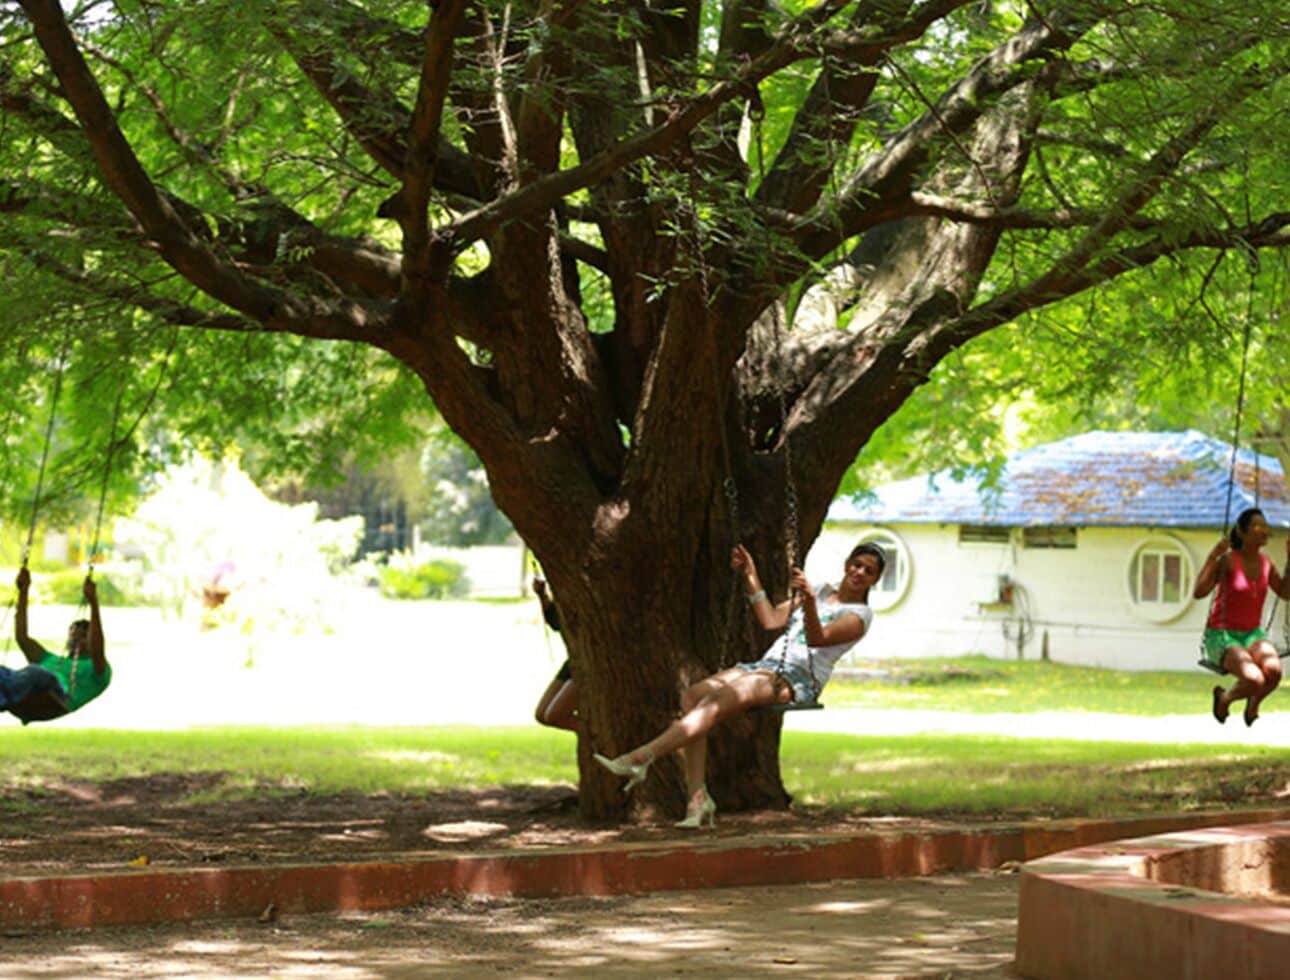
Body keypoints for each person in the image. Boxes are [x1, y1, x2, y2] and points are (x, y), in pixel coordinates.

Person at [594, 541, 885, 828]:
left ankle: (641, 757)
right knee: (694, 696)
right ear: (847, 564)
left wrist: (808, 602)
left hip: (798, 677)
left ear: (874, 580)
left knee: (717, 701)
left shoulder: (859, 616)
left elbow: (817, 638)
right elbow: (770, 619)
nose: (859, 572)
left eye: (869, 571)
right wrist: (750, 574)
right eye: (857, 564)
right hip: (765, 667)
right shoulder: (821, 591)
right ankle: (697, 799)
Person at [1194, 507, 1289, 727]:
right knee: (1254, 678)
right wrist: (1212, 556)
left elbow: (1285, 593)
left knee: (1273, 672)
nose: (1264, 530)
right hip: (1223, 635)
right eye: (1257, 526)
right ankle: (1224, 698)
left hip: (1253, 634)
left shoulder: (1266, 563)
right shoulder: (1228, 560)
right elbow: (1199, 593)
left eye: (1265, 526)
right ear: (1243, 533)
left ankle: (1253, 702)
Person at [4, 567, 112, 724]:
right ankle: (7, 694)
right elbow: (22, 637)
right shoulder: (49, 659)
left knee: (35, 672)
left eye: (83, 636)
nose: (76, 639)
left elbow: (97, 648)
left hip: (57, 697)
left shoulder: (98, 671)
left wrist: (93, 603)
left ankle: (5, 697)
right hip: (28, 691)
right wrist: (24, 590)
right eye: (73, 634)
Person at [533, 577, 578, 732]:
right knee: (541, 714)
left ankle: (595, 732)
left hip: (590, 666)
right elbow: (555, 620)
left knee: (555, 715)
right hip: (573, 662)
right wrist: (542, 594)